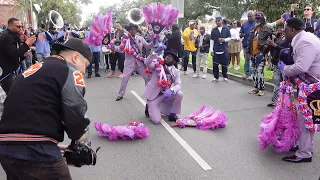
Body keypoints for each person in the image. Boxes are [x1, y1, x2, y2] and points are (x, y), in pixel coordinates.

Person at [0, 38, 92, 178]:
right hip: (35, 151)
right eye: (85, 65)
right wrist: (81, 139)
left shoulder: (35, 68)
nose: (84, 71)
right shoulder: (70, 70)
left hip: (6, 148)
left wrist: (49, 142)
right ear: (75, 58)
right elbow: (74, 109)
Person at [280, 18, 320, 163]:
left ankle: (304, 154)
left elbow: (301, 67)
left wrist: (285, 68)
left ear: (292, 30)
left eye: (285, 29)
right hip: (310, 85)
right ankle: (305, 148)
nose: (284, 32)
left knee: (306, 119)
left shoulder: (305, 41)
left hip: (313, 85)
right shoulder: (303, 38)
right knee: (307, 118)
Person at [115, 23, 154, 101]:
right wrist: (112, 47)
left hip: (140, 63)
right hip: (129, 63)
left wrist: (154, 40)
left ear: (136, 30)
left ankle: (148, 92)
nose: (133, 31)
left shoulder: (141, 38)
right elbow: (120, 49)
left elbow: (148, 46)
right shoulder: (125, 39)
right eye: (131, 29)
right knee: (125, 78)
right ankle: (120, 94)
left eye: (134, 29)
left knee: (147, 77)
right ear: (129, 31)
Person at [144, 48, 182, 124]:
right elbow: (147, 63)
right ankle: (149, 106)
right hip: (153, 96)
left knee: (179, 94)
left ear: (174, 61)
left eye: (171, 56)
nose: (168, 57)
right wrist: (154, 53)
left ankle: (173, 114)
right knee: (156, 121)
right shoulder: (157, 65)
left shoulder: (176, 71)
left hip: (165, 95)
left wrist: (171, 90)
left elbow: (178, 85)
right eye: (168, 55)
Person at [0, 18, 36, 94]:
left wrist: (23, 55)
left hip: (12, 71)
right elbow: (14, 53)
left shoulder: (13, 36)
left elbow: (14, 55)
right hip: (7, 73)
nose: (21, 28)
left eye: (21, 26)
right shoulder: (7, 37)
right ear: (10, 27)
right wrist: (27, 44)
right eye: (18, 26)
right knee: (12, 95)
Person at [247, 12, 273, 96]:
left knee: (259, 71)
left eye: (259, 18)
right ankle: (256, 88)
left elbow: (273, 37)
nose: (258, 20)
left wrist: (266, 48)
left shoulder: (267, 28)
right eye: (257, 18)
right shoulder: (254, 28)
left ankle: (261, 89)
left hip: (260, 53)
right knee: (254, 71)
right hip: (252, 53)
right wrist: (248, 52)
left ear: (263, 19)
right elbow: (249, 41)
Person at [266, 23, 290, 107]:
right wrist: (271, 44)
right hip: (276, 63)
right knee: (277, 83)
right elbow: (275, 48)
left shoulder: (290, 39)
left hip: (284, 64)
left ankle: (286, 103)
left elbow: (287, 51)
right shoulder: (280, 38)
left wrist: (274, 45)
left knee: (285, 83)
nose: (282, 29)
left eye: (284, 28)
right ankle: (275, 101)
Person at [210, 17, 231, 82]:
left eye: (218, 21)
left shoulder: (226, 29)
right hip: (216, 49)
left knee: (224, 64)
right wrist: (211, 50)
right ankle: (216, 77)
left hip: (224, 49)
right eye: (216, 21)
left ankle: (225, 76)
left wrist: (224, 40)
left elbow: (230, 37)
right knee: (215, 64)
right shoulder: (214, 30)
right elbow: (212, 40)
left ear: (221, 21)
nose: (217, 22)